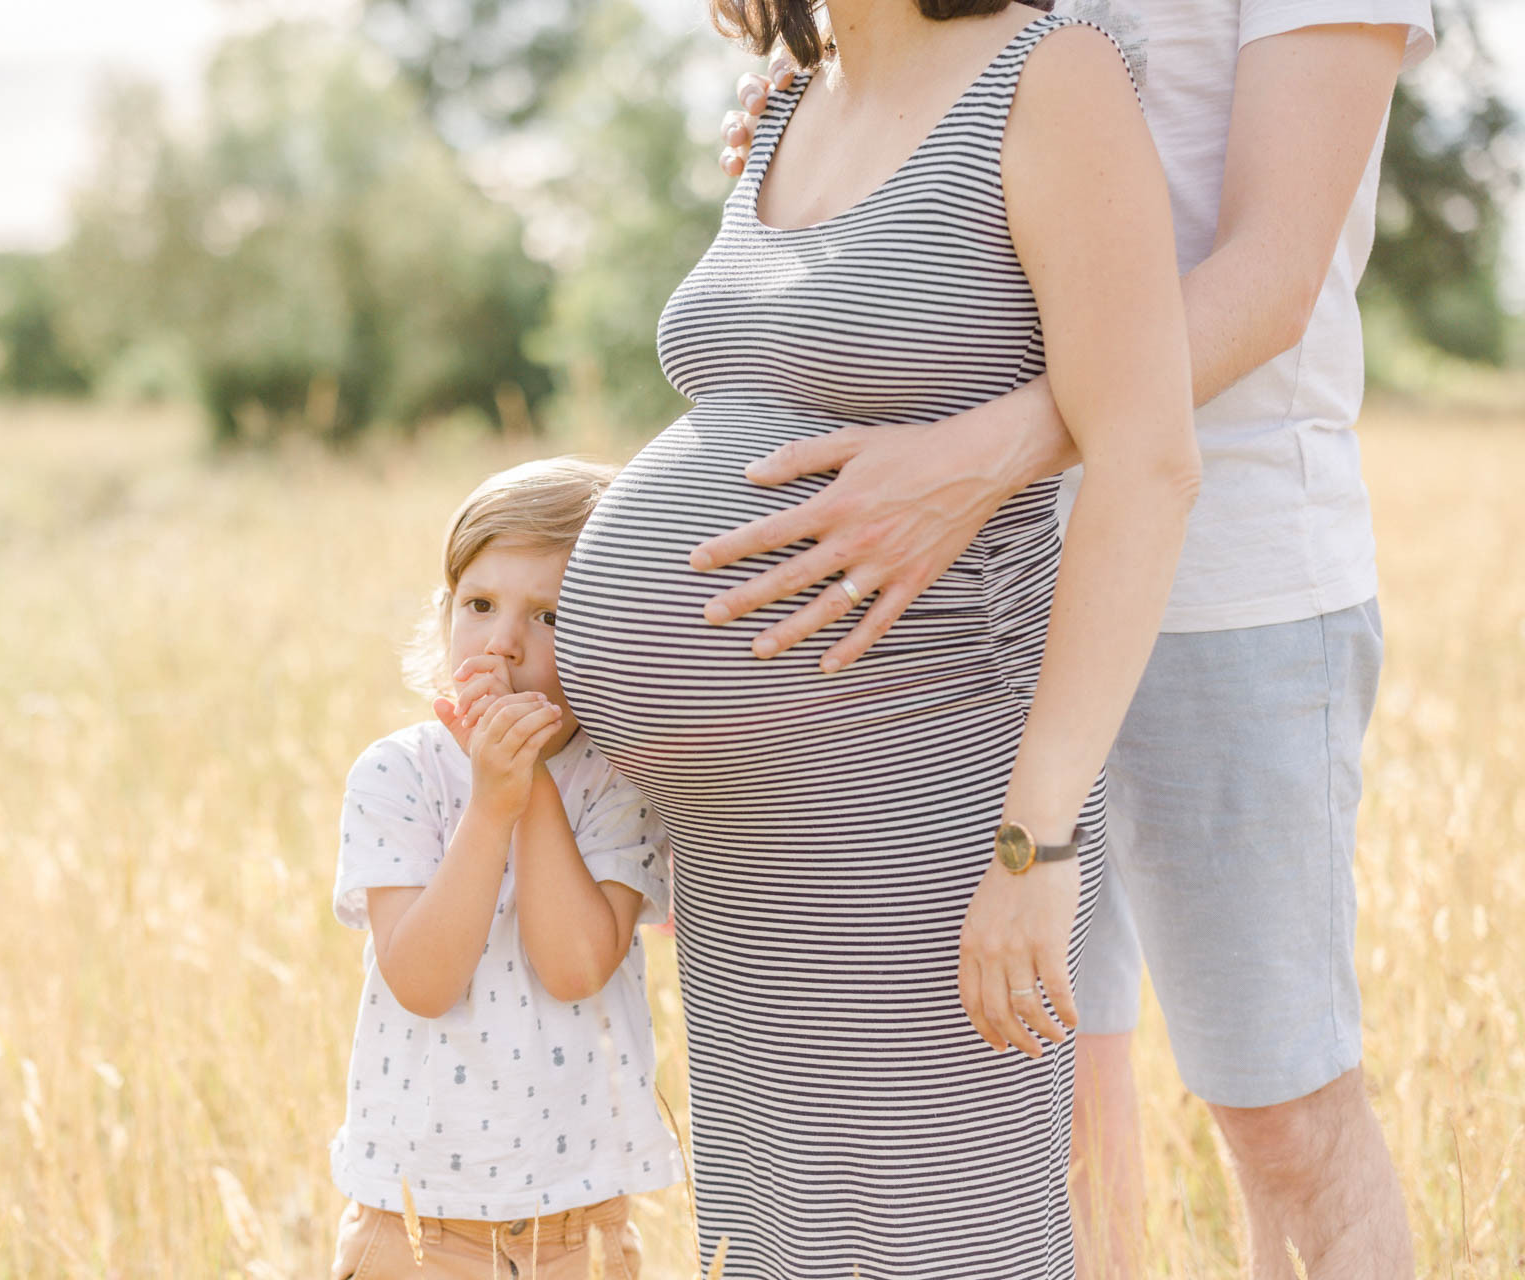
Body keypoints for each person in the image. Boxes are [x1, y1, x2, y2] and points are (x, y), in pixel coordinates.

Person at [712, 0, 1432, 1273]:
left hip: (1229, 582)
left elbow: (1273, 275)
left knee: (1286, 1122)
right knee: (1055, 1119)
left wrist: (982, 454)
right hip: (971, 596)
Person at [552, 0, 1196, 1272]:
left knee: (937, 1228)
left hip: (921, 798)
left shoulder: (1051, 77)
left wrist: (1036, 841)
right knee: (783, 1234)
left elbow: (1149, 461)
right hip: (750, 853)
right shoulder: (796, 96)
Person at [326, 458, 683, 1280]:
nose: (502, 642)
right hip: (415, 1226)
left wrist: (532, 790)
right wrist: (489, 807)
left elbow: (575, 967)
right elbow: (422, 981)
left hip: (579, 1226)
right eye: (479, 605)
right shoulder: (397, 775)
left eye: (549, 616)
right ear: (446, 611)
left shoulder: (619, 784)